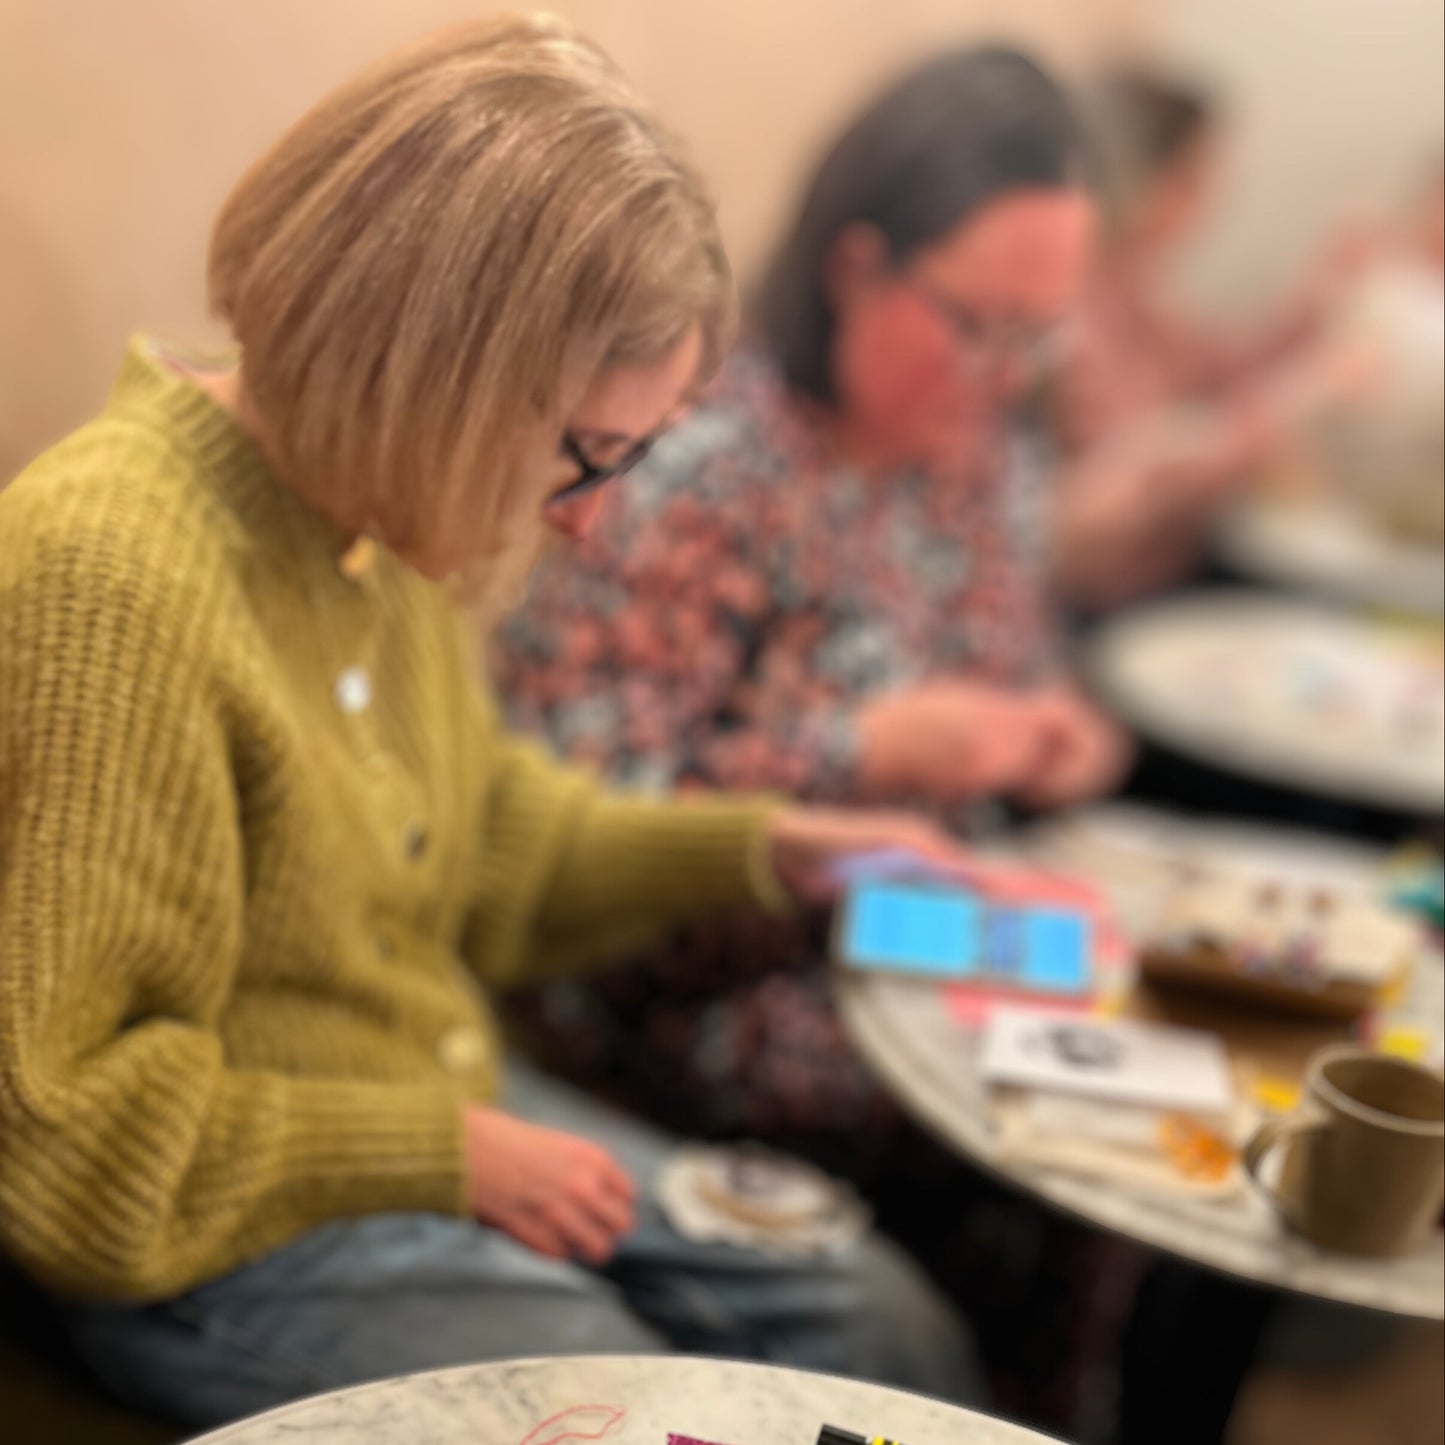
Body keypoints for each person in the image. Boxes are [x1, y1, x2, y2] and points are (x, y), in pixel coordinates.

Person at [0, 18, 983, 1431]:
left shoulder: (363, 508)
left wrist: (764, 845)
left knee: (879, 1322)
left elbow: (491, 842)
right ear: (435, 374)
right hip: (209, 1234)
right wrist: (436, 1151)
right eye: (588, 457)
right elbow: (72, 1136)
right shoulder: (111, 580)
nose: (589, 521)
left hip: (427, 1100)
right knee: (630, 1408)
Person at [496, 48, 1128, 1168]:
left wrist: (1045, 736)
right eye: (981, 326)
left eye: (1040, 335)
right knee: (1064, 1127)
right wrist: (867, 746)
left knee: (1143, 1044)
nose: (1005, 374)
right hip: (708, 987)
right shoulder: (702, 467)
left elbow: (1020, 669)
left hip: (920, 929)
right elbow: (570, 841)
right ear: (857, 267)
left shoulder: (983, 460)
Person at [1052, 66, 1375, 607]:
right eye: (1203, 174)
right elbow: (1149, 465)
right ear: (1156, 182)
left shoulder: (1136, 289)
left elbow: (1218, 372)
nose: (1215, 197)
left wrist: (1312, 303)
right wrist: (1299, 397)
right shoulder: (1077, 309)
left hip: (1171, 575)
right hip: (1118, 598)